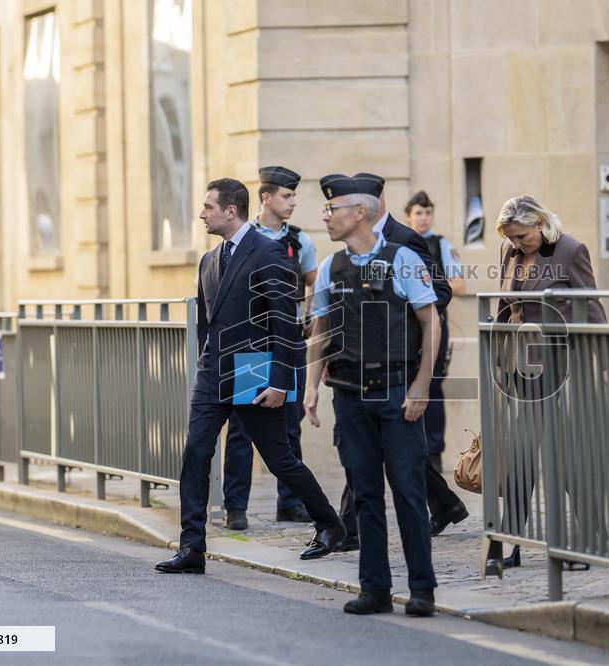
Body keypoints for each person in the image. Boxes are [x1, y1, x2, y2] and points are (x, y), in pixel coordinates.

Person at [155, 178, 345, 574]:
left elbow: (284, 324)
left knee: (280, 459)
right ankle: (192, 547)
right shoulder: (208, 261)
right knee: (195, 454)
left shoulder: (269, 252)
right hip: (213, 374)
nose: (202, 214)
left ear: (230, 210)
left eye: (208, 207)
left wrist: (279, 382)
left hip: (255, 370)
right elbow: (208, 325)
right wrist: (205, 365)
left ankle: (330, 525)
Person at [304, 173, 439, 616]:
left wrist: (421, 386)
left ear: (358, 213)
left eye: (333, 209)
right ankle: (374, 588)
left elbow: (431, 322)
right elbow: (320, 330)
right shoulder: (329, 267)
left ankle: (422, 590)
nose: (326, 217)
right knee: (364, 496)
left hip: (398, 394)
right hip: (349, 396)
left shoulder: (402, 259)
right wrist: (310, 388)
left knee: (408, 493)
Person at [335, 175, 469, 541]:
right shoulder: (353, 240)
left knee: (375, 444)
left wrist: (401, 311)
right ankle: (443, 504)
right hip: (362, 355)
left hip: (400, 357)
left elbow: (439, 290)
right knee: (370, 443)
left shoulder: (406, 239)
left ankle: (347, 528)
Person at [489, 195, 606, 574]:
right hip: (523, 365)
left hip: (562, 362)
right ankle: (518, 539)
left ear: (539, 224)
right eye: (512, 238)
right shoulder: (509, 251)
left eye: (522, 236)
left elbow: (591, 306)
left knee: (555, 452)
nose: (517, 244)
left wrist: (607, 362)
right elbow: (505, 307)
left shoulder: (571, 250)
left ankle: (587, 531)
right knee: (531, 450)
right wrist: (497, 356)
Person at [221, 166, 317, 529]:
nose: (292, 202)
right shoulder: (244, 237)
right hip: (251, 342)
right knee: (243, 425)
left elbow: (314, 280)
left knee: (290, 425)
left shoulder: (299, 240)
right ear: (266, 197)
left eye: (293, 196)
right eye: (286, 196)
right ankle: (236, 506)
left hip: (288, 340)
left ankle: (290, 503)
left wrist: (310, 313)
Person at [404, 191, 464, 472]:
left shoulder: (441, 245)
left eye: (427, 213)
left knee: (433, 386)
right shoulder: (400, 244)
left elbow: (460, 285)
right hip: (405, 327)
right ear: (408, 216)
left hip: (435, 324)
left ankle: (434, 453)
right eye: (418, 213)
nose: (423, 218)